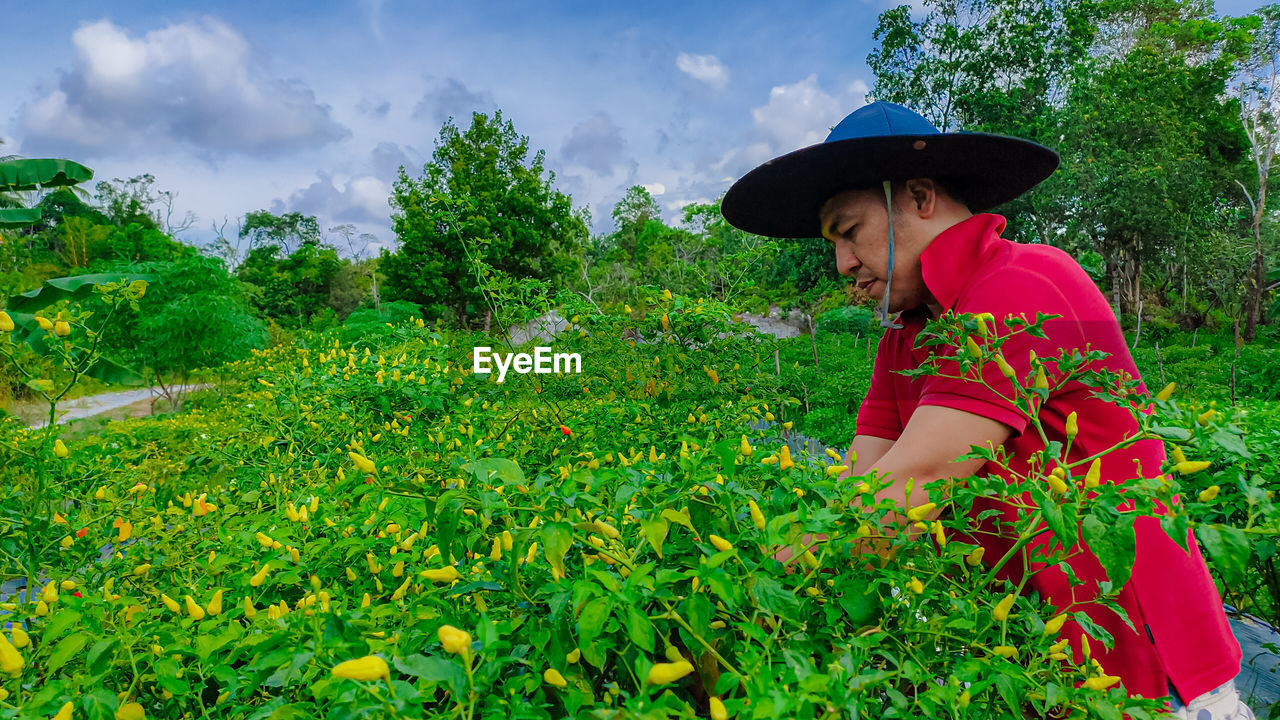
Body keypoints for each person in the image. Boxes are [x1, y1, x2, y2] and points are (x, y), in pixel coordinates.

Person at [720, 101, 1250, 719]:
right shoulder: (906, 335)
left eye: (849, 231)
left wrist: (752, 588)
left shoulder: (1022, 281)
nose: (842, 264)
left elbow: (915, 483)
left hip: (1140, 664)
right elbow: (863, 484)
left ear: (919, 195)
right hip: (1028, 656)